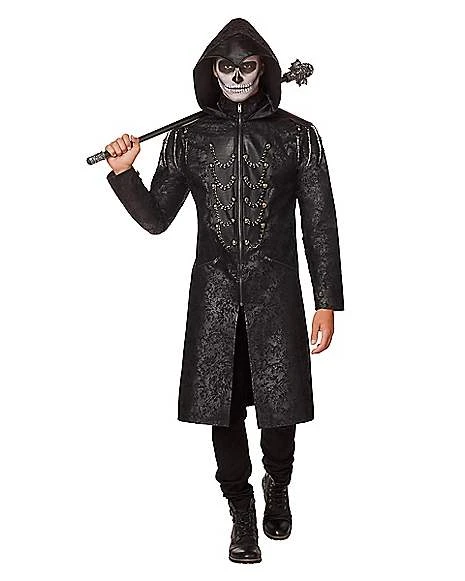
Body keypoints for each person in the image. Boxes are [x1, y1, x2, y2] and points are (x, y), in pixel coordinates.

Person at [104, 18, 344, 564]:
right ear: (211, 71)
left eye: (247, 66)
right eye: (226, 66)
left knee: (280, 409)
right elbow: (156, 218)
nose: (236, 76)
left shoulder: (298, 135)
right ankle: (240, 510)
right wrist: (124, 173)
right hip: (213, 297)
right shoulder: (188, 137)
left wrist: (326, 300)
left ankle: (278, 485)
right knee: (224, 408)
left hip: (276, 292)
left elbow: (320, 223)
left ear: (264, 70)